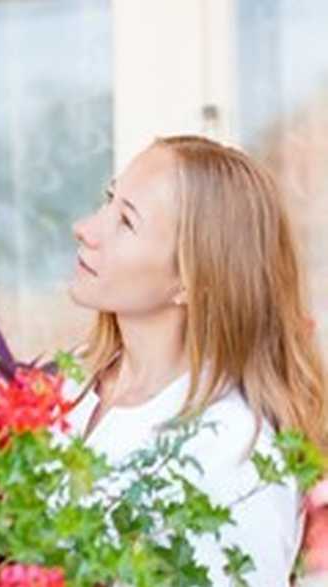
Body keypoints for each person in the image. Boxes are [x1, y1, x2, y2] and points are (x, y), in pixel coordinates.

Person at [66, 135, 328, 584]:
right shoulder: (72, 385)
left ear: (190, 280)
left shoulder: (236, 456)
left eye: (126, 222)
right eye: (110, 200)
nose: (85, 228)